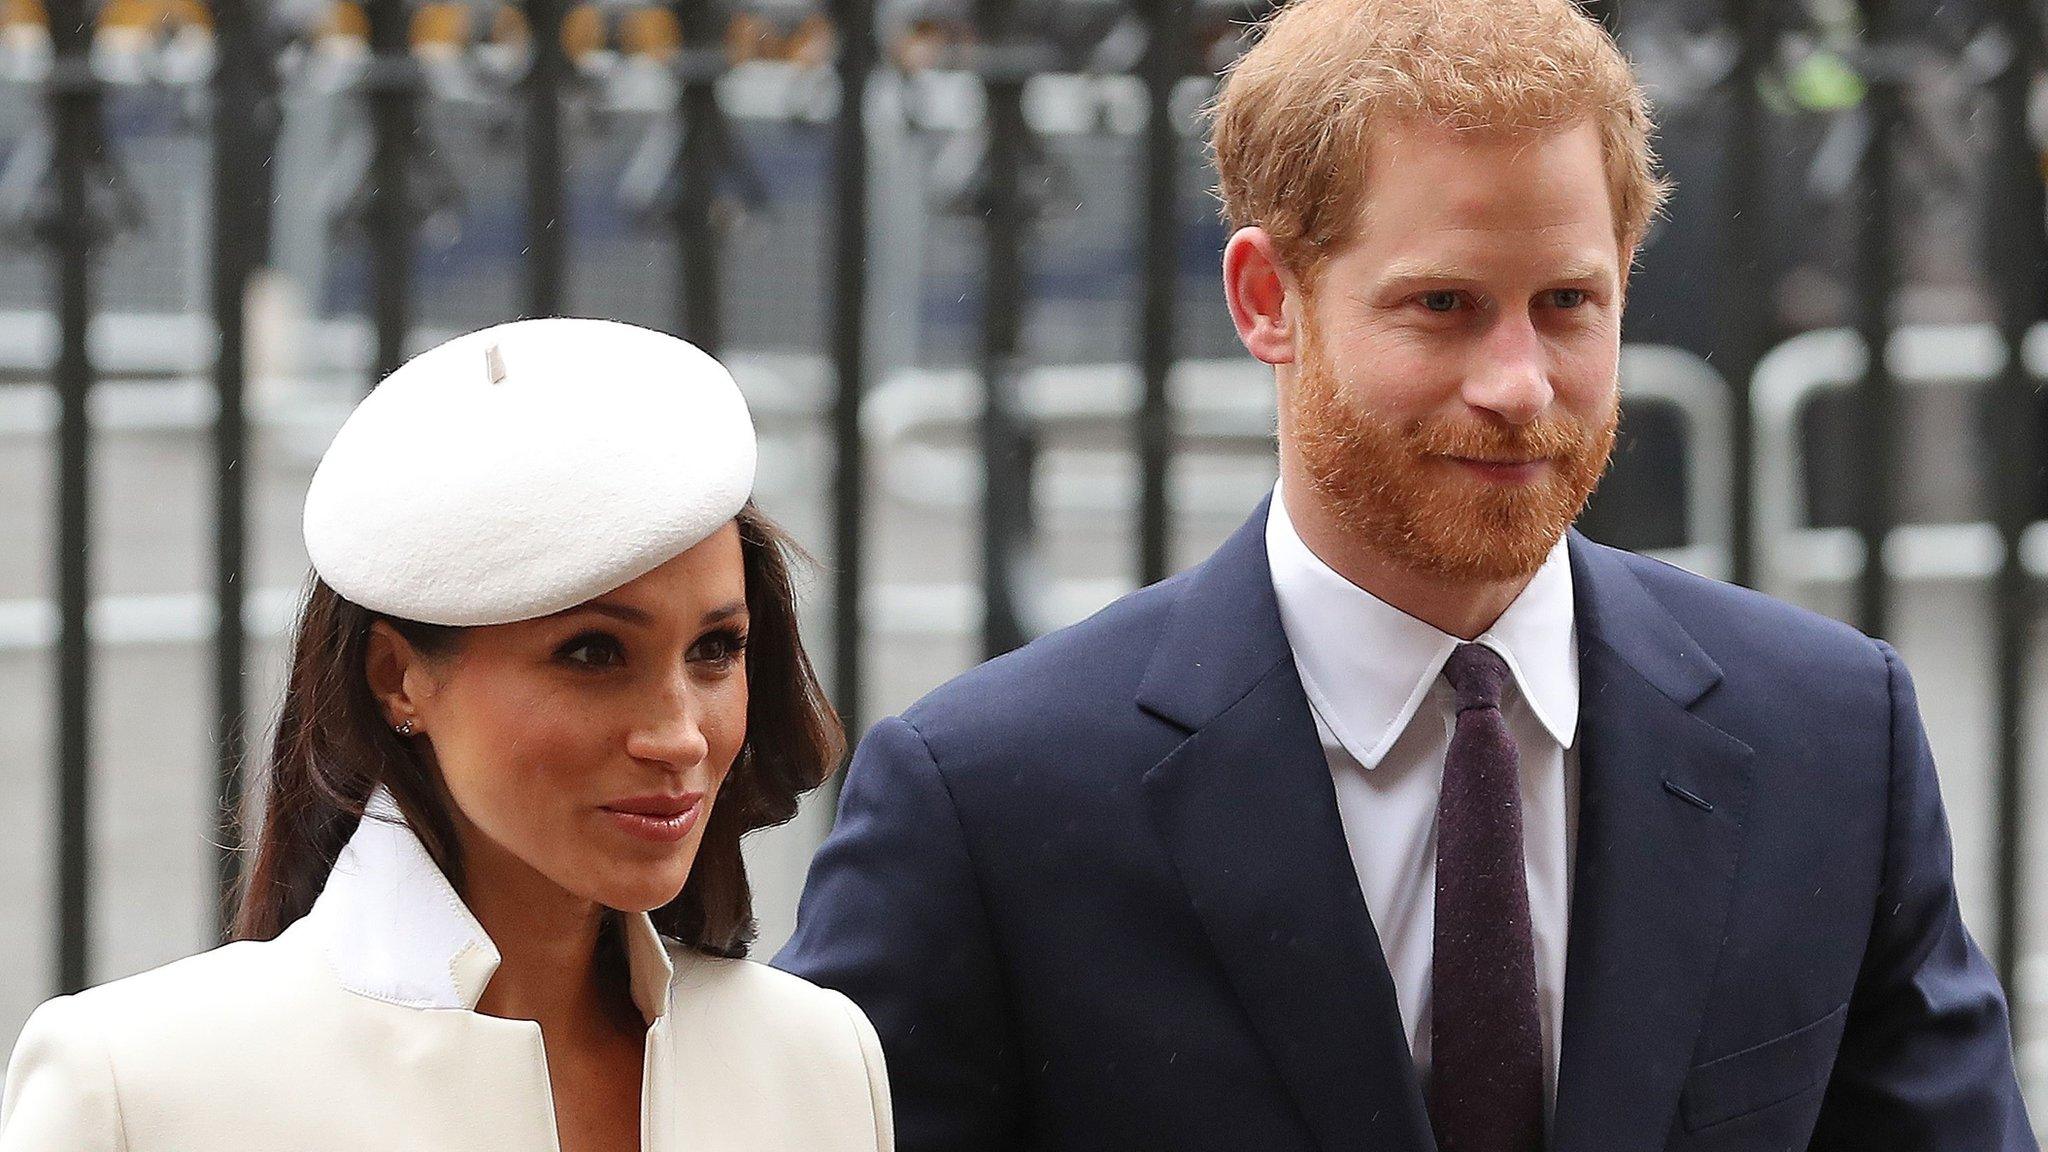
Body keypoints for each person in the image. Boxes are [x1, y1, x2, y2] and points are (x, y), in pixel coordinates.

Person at [774, 2, 2036, 1149]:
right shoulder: (993, 797)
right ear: (1267, 299)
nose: (1516, 384)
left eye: (1564, 303)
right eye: (1440, 304)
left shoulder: (1826, 733)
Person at [1, 319, 892, 1152]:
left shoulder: (816, 1065)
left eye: (715, 649)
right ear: (398, 678)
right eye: (592, 653)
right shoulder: (135, 1090)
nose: (679, 735)